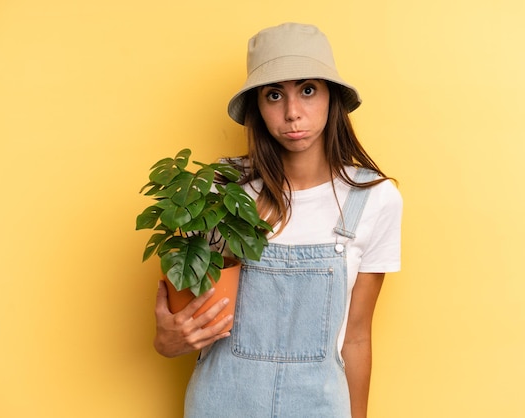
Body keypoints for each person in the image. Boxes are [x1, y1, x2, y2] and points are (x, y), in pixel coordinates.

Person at [153, 22, 402, 418]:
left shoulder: (373, 199)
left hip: (320, 405)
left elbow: (355, 338)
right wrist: (167, 341)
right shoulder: (218, 191)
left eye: (307, 90)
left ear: (330, 97)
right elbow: (188, 313)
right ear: (258, 107)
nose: (292, 113)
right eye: (274, 95)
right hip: (222, 402)